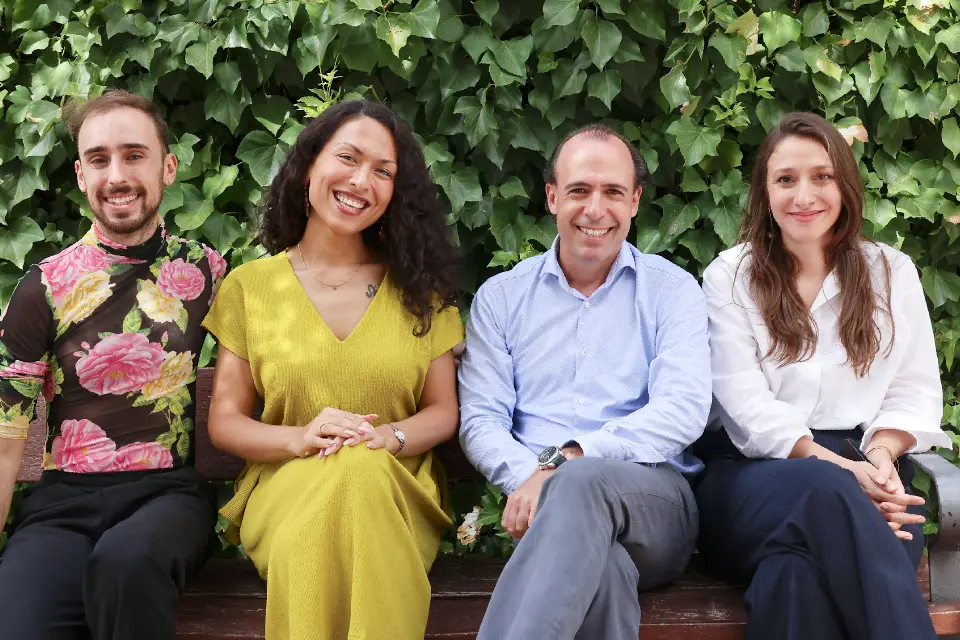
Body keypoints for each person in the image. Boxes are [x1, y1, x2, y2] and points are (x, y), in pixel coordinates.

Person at [202, 100, 462, 640]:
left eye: (383, 171)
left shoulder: (422, 290)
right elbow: (225, 421)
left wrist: (387, 438)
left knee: (360, 472)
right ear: (309, 167)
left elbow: (443, 411)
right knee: (343, 480)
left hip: (395, 494)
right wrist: (300, 438)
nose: (361, 180)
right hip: (287, 491)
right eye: (348, 157)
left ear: (395, 193)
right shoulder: (250, 288)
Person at [694, 111, 949, 639]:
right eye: (785, 179)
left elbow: (915, 390)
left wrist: (877, 460)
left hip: (870, 477)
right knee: (823, 488)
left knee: (793, 579)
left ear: (845, 186)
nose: (803, 195)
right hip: (749, 480)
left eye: (821, 177)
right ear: (766, 193)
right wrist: (844, 475)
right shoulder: (730, 276)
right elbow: (748, 411)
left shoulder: (891, 272)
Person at [458, 123, 710, 640]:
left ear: (635, 201)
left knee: (581, 480)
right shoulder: (501, 299)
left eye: (613, 192)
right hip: (548, 520)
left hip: (655, 505)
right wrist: (533, 482)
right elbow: (481, 419)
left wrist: (566, 461)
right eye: (578, 190)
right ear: (552, 197)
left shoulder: (671, 291)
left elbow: (683, 411)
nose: (595, 209)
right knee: (608, 573)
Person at [0, 90, 225, 640]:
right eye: (99, 159)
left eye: (134, 154)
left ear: (167, 166)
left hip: (170, 496)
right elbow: (6, 438)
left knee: (128, 562)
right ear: (80, 175)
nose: (116, 174)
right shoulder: (43, 288)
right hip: (62, 505)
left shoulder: (209, 274)